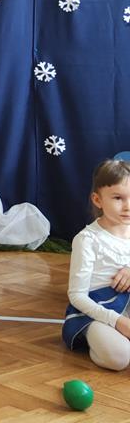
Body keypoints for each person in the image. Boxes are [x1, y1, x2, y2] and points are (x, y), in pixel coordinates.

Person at [63, 158, 130, 370]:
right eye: (118, 198)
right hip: (96, 311)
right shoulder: (87, 240)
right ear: (97, 200)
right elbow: (77, 295)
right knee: (118, 358)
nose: (128, 206)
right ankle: (96, 339)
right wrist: (118, 322)